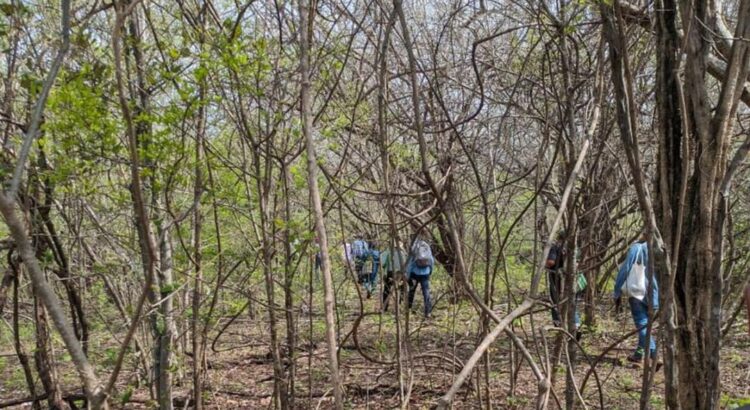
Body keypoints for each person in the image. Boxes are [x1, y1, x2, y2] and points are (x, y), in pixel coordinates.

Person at [614, 236, 659, 364]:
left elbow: (626, 268)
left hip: (638, 292)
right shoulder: (661, 249)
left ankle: (654, 354)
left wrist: (617, 291)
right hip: (656, 294)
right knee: (645, 324)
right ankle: (638, 355)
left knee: (642, 323)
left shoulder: (637, 247)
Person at [546, 231, 580, 330]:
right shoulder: (576, 249)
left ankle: (558, 325)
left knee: (556, 301)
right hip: (573, 279)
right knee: (572, 302)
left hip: (557, 280)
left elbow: (550, 262)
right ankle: (575, 325)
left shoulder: (556, 247)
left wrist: (545, 263)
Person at [406, 235, 435, 318]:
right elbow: (431, 260)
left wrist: (408, 274)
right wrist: (430, 271)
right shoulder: (426, 246)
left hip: (414, 273)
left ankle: (408, 309)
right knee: (426, 292)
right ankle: (428, 312)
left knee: (412, 291)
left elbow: (410, 262)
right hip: (425, 273)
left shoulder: (413, 247)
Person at [381, 242, 407, 312]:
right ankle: (400, 306)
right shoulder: (404, 253)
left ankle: (385, 307)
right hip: (401, 273)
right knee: (402, 289)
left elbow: (382, 263)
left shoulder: (389, 252)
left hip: (390, 272)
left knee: (387, 289)